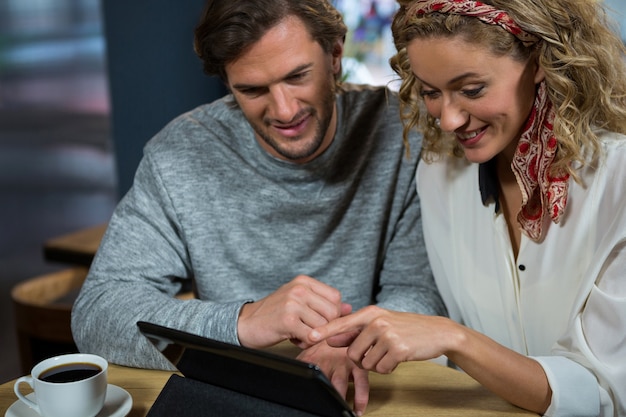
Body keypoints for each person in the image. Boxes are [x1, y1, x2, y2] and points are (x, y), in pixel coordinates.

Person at [70, 0, 446, 415]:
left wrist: (350, 343)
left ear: (335, 55)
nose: (284, 111)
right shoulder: (179, 154)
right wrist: (243, 322)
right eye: (252, 90)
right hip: (232, 400)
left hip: (371, 393)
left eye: (297, 76)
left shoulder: (404, 131)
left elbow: (419, 291)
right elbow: (97, 313)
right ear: (228, 84)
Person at [306, 0, 626, 416]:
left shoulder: (617, 181)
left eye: (472, 90)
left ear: (539, 61)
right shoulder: (440, 175)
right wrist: (359, 344)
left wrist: (455, 339)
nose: (450, 119)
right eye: (430, 92)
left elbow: (603, 394)